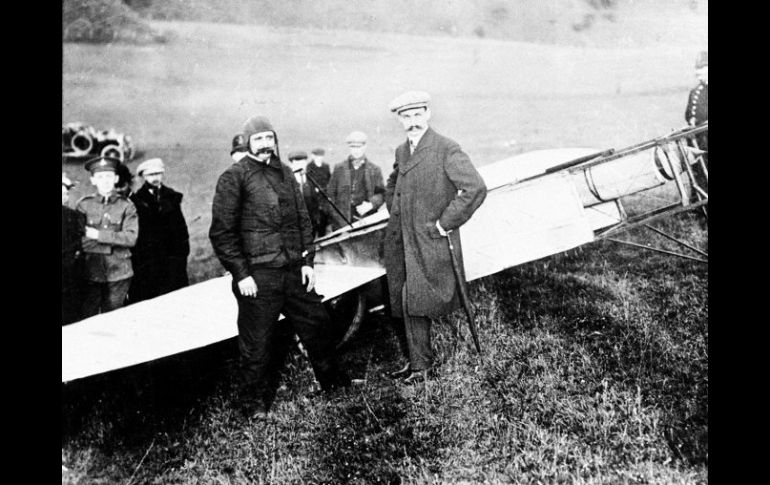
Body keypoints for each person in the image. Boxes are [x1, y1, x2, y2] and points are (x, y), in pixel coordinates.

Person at [209, 115, 350, 418]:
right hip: (258, 278)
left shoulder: (285, 173)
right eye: (258, 139)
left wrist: (307, 261)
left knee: (319, 326)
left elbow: (302, 220)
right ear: (247, 143)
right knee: (257, 344)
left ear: (275, 140)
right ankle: (253, 405)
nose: (264, 144)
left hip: (292, 271)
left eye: (269, 138)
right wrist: (241, 274)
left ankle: (335, 385)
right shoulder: (233, 177)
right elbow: (222, 233)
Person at [383, 91, 487, 384]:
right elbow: (394, 183)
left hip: (431, 239)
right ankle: (418, 363)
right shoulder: (402, 151)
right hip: (403, 239)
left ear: (428, 114)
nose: (412, 121)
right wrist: (396, 209)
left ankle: (422, 366)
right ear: (399, 120)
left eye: (417, 114)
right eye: (406, 116)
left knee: (419, 299)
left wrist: (445, 223)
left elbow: (475, 188)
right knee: (406, 299)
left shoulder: (446, 148)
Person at [76, 157, 139, 318]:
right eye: (100, 177)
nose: (105, 181)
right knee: (87, 316)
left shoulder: (126, 205)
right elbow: (80, 240)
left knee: (113, 317)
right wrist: (114, 241)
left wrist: (98, 235)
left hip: (119, 272)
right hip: (91, 271)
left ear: (116, 179)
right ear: (93, 180)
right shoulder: (83, 205)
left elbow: (131, 238)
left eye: (109, 177)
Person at [129, 158, 190, 303]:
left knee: (175, 293)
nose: (155, 178)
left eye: (158, 174)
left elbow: (181, 227)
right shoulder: (137, 200)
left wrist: (182, 252)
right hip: (150, 257)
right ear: (143, 176)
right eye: (151, 175)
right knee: (152, 294)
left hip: (173, 255)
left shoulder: (172, 197)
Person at [326, 131, 386, 230]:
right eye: (353, 147)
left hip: (366, 221)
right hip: (341, 223)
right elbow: (330, 195)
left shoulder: (374, 170)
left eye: (359, 147)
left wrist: (371, 204)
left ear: (365, 147)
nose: (356, 150)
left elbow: (382, 194)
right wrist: (337, 217)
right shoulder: (339, 168)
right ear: (349, 147)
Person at [685, 50, 708, 208]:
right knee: (699, 174)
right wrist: (692, 120)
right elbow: (690, 114)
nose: (699, 78)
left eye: (701, 73)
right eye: (697, 74)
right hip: (700, 141)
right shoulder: (696, 92)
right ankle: (699, 208)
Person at [62, 173, 85, 325]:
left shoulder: (74, 216)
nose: (64, 197)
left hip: (70, 275)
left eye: (66, 193)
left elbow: (80, 243)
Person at [288, 151, 323, 239]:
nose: (301, 166)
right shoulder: (286, 181)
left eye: (303, 163)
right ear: (291, 164)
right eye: (297, 163)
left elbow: (315, 201)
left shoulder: (310, 179)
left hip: (311, 224)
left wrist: (316, 218)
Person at [307, 148, 331, 236]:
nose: (319, 158)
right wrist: (315, 189)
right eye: (317, 156)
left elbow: (329, 179)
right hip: (314, 197)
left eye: (321, 156)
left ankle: (322, 236)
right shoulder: (310, 167)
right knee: (314, 218)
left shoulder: (326, 166)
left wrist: (326, 190)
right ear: (313, 156)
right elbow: (308, 181)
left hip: (324, 196)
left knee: (324, 218)